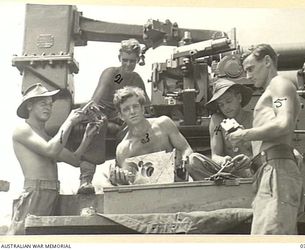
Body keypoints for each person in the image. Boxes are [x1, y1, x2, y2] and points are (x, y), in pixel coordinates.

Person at [227, 44, 303, 234]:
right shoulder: (273, 90)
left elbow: (283, 123)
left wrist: (245, 134)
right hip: (269, 170)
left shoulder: (279, 84)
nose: (248, 75)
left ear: (267, 61)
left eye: (251, 68)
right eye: (245, 71)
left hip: (276, 170)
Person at [9, 83, 99, 234]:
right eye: (43, 103)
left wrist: (88, 137)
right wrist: (70, 121)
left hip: (52, 194)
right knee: (25, 240)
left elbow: (75, 160)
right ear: (29, 105)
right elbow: (51, 150)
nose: (48, 108)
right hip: (35, 194)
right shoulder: (22, 130)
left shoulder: (46, 137)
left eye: (50, 105)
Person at [77, 38, 151, 193]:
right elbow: (95, 101)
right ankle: (85, 180)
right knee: (99, 123)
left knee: (134, 128)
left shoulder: (136, 79)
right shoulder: (112, 73)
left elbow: (146, 106)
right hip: (101, 113)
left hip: (120, 118)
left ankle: (121, 175)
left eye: (132, 61)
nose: (128, 64)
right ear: (119, 58)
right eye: (125, 60)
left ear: (137, 60)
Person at [108, 86, 193, 185]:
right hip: (148, 195)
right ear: (121, 116)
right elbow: (129, 184)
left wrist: (184, 161)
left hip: (176, 186)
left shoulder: (163, 124)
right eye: (126, 109)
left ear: (143, 109)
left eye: (135, 106)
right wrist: (121, 181)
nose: (132, 112)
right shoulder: (123, 149)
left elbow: (186, 149)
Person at [186, 78, 254, 180]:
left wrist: (249, 159)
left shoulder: (253, 118)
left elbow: (262, 154)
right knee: (193, 160)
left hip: (251, 171)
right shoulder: (217, 121)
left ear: (239, 98)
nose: (226, 107)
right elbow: (215, 155)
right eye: (221, 105)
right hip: (227, 173)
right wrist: (223, 161)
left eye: (229, 101)